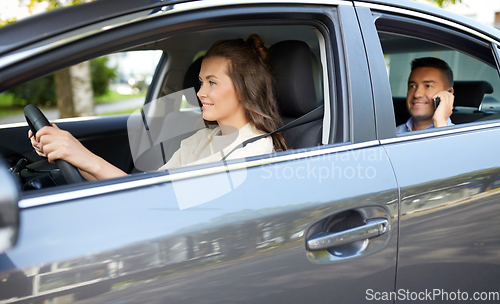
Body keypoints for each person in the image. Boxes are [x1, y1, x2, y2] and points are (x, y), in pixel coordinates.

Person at [28, 34, 288, 180]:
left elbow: (155, 201)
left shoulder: (253, 151)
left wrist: (80, 154)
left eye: (212, 82)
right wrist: (67, 153)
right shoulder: (202, 138)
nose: (200, 92)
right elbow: (147, 188)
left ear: (244, 88)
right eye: (200, 82)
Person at [396, 57, 455, 134]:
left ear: (448, 93)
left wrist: (440, 123)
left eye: (428, 86)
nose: (417, 94)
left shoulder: (462, 139)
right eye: (412, 86)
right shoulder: (394, 133)